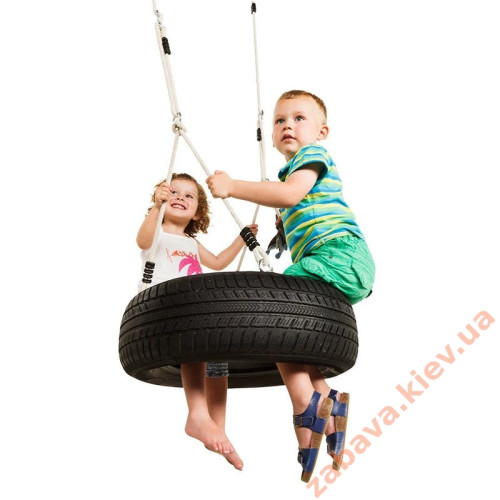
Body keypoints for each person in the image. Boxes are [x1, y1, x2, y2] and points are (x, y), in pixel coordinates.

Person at [206, 90, 375, 481]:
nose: (287, 125)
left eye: (299, 118)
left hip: (340, 254)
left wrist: (233, 186)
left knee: (277, 315)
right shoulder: (293, 173)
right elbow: (294, 200)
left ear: (321, 131)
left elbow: (291, 192)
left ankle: (304, 403)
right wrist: (284, 227)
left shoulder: (312, 156)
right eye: (280, 120)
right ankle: (327, 400)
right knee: (292, 330)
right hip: (338, 263)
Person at [137, 172, 258, 471]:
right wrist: (156, 208)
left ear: (197, 213)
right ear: (162, 197)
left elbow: (217, 262)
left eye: (188, 195)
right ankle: (197, 415)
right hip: (162, 310)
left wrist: (242, 239)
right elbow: (142, 240)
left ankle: (217, 427)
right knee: (196, 340)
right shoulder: (157, 232)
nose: (179, 197)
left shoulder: (190, 242)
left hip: (192, 312)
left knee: (216, 356)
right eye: (173, 192)